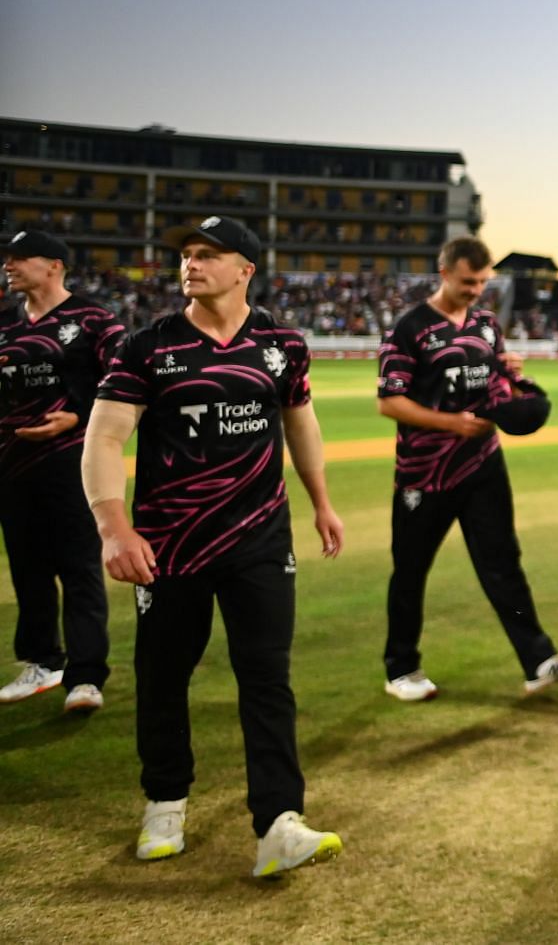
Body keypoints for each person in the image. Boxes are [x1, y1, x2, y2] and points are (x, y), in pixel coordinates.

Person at [80, 216, 346, 878]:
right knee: (164, 675)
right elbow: (105, 436)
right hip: (168, 547)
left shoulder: (282, 344)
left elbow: (300, 422)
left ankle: (280, 820)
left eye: (207, 254)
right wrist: (115, 527)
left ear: (244, 269)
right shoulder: (148, 346)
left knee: (266, 676)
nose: (190, 264)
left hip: (261, 538)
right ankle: (165, 800)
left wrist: (321, 500)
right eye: (187, 255)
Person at [375, 236, 558, 702]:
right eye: (468, 281)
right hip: (424, 472)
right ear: (444, 270)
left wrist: (511, 373)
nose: (475, 290)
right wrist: (450, 422)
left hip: (483, 464)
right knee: (410, 570)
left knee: (503, 564)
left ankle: (538, 661)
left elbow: (497, 381)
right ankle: (401, 668)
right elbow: (390, 401)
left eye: (482, 282)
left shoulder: (486, 325)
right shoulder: (410, 327)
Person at [0, 229, 124, 712]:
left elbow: (122, 382)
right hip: (12, 466)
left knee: (79, 568)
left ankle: (86, 676)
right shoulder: (5, 324)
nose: (8, 266)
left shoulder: (94, 320)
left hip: (74, 462)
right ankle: (42, 662)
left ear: (54, 265)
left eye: (19, 258)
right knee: (27, 569)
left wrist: (76, 412)